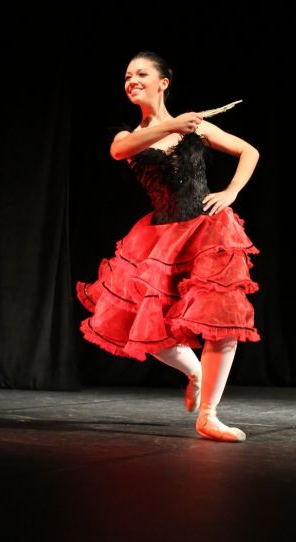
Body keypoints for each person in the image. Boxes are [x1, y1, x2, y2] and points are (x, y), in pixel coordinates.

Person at [76, 51, 261, 442]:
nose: (131, 80)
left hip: (208, 233)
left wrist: (231, 191)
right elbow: (119, 151)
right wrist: (173, 123)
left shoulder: (195, 128)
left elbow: (250, 151)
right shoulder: (127, 136)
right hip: (160, 238)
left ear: (163, 82)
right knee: (146, 326)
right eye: (127, 76)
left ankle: (208, 415)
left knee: (223, 323)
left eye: (141, 73)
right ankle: (194, 372)